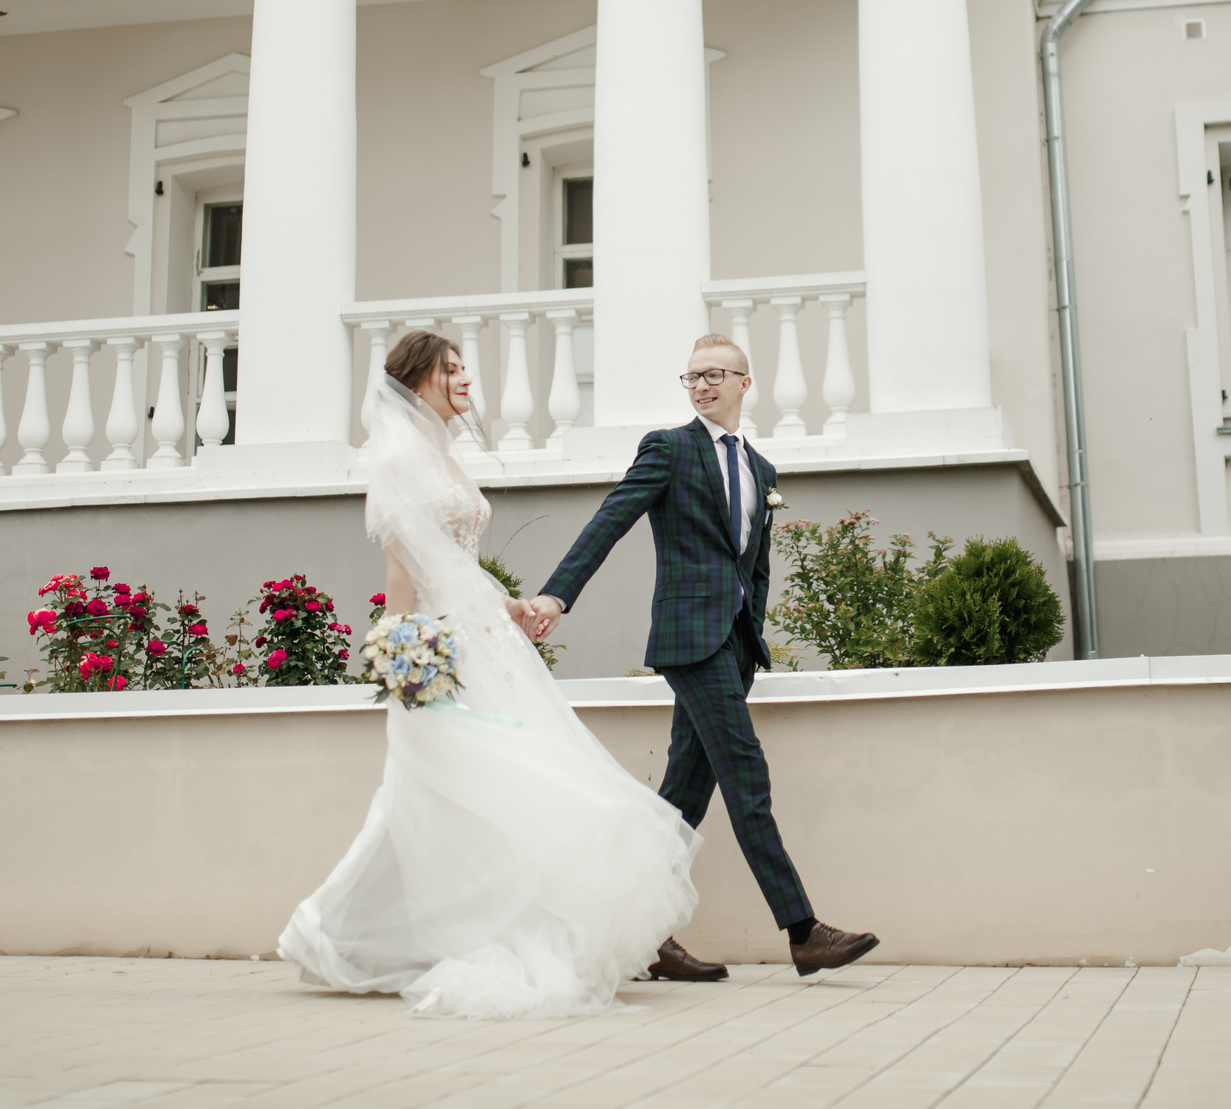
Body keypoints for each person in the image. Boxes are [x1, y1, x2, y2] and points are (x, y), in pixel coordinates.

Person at [277, 330, 700, 1019]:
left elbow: (455, 562)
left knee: (446, 798)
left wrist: (509, 607)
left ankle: (342, 932)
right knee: (473, 788)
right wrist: (404, 650)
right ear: (417, 381)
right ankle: (351, 933)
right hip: (441, 651)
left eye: (463, 367)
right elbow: (403, 568)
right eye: (451, 369)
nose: (465, 379)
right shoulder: (397, 458)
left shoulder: (443, 453)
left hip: (488, 640)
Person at [521, 333, 880, 982]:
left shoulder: (761, 469)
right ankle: (804, 932)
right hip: (690, 640)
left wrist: (752, 638)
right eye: (692, 376)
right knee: (746, 772)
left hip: (734, 646)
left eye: (716, 374)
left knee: (681, 800)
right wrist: (556, 595)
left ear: (746, 382)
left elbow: (755, 568)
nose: (703, 385)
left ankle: (642, 937)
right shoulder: (669, 448)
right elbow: (610, 519)